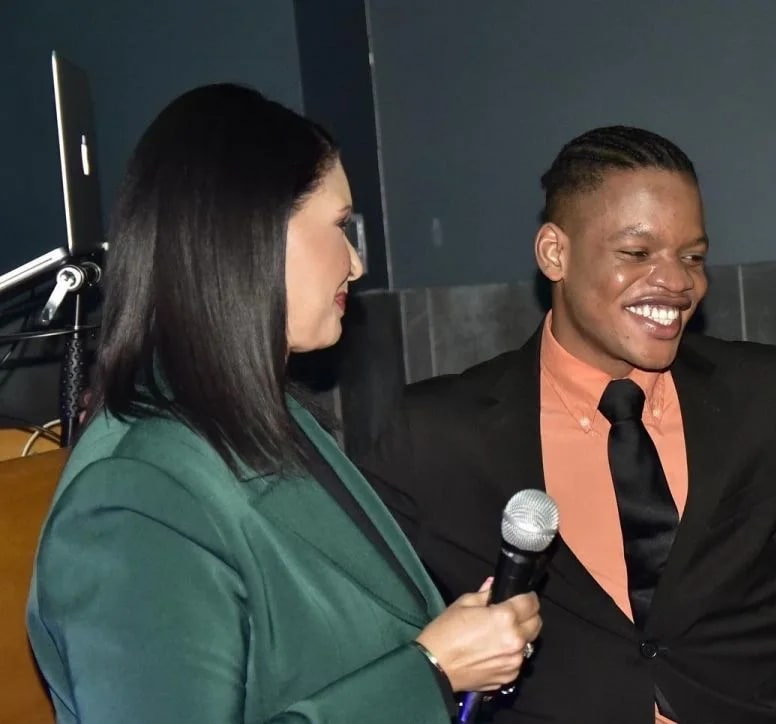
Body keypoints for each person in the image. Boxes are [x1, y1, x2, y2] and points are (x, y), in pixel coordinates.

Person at [362, 125, 776, 723]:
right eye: (637, 254)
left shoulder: (755, 391)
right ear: (555, 254)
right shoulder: (437, 432)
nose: (677, 282)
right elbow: (369, 633)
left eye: (692, 256)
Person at [26, 84, 541, 723]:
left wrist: (452, 645)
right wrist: (431, 673)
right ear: (254, 231)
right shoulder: (132, 493)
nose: (355, 264)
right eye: (340, 226)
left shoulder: (265, 417)